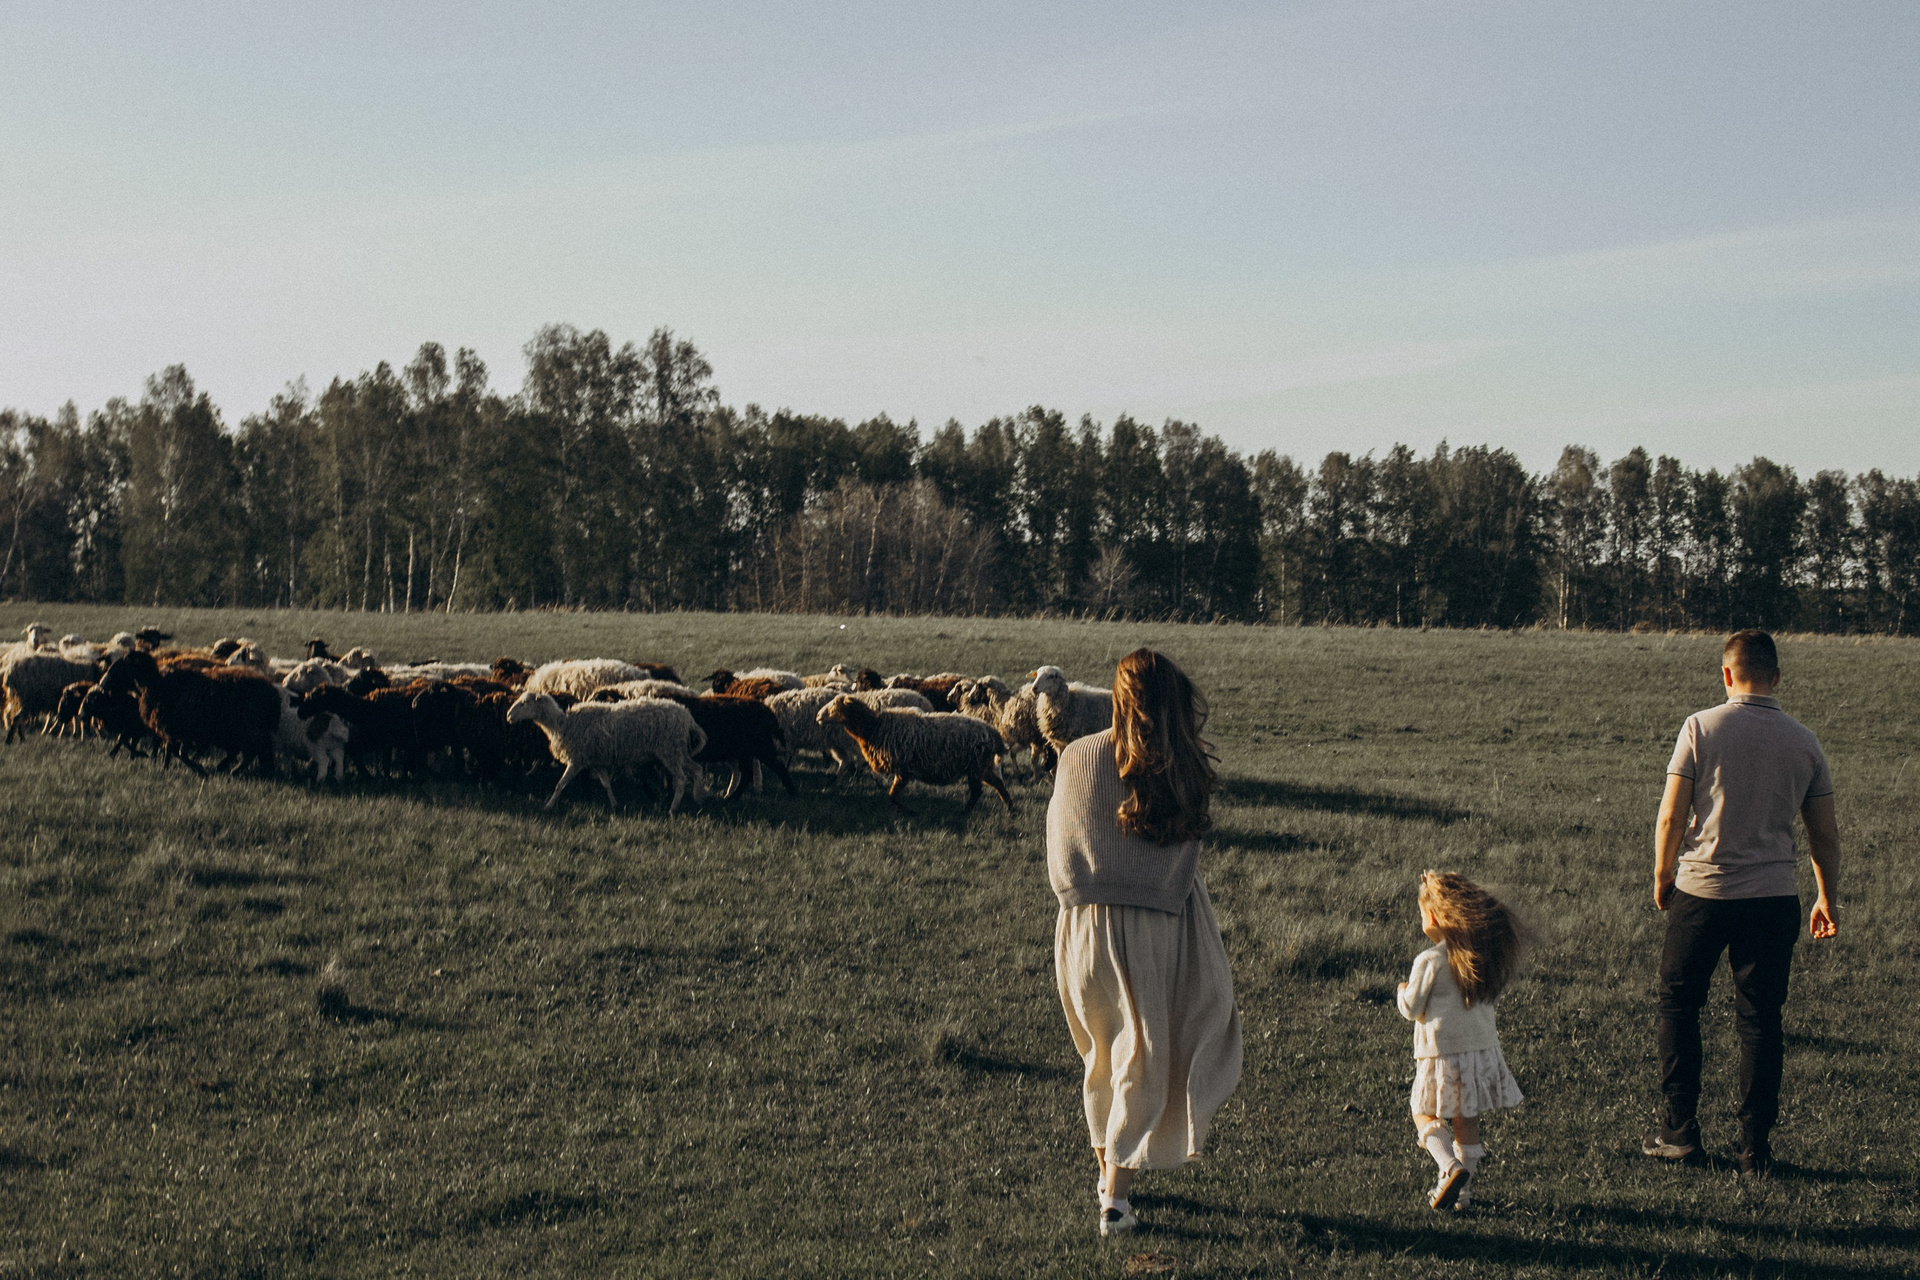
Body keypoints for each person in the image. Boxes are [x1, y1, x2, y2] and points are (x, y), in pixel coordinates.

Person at [1048, 648, 1243, 1237]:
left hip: (1083, 926)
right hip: (1155, 925)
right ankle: (1115, 1197)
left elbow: (1063, 838)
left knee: (1102, 1053)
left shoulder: (1077, 755)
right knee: (1143, 1054)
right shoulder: (1181, 768)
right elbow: (1183, 847)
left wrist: (1081, 892)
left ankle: (1108, 1174)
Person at [1644, 629, 1840, 1175]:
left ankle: (1680, 1131)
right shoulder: (1805, 741)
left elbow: (1671, 814)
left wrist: (1663, 873)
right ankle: (1756, 1148)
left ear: (1726, 674)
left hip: (1702, 892)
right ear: (1776, 676)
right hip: (1774, 897)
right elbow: (1824, 835)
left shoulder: (1699, 727)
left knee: (1679, 1004)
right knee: (1760, 1019)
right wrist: (1826, 897)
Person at [1397, 871, 1527, 1212]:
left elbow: (1412, 1008)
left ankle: (1448, 1165)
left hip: (1442, 1053)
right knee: (1466, 1121)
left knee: (1421, 1112)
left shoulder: (1430, 960)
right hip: (1480, 1052)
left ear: (1434, 917)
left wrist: (1401, 991)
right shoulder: (1481, 959)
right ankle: (1462, 1195)